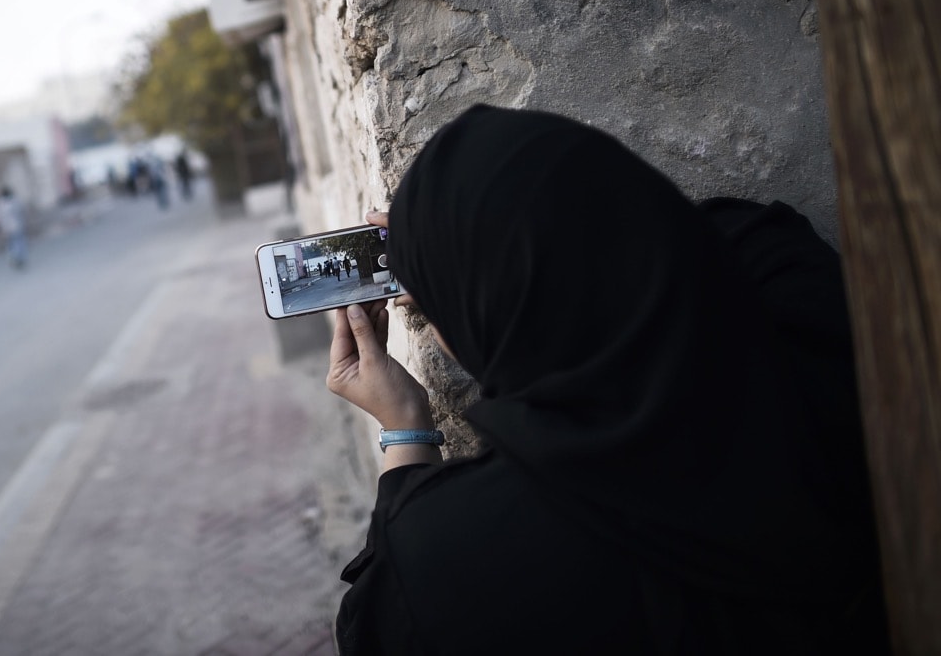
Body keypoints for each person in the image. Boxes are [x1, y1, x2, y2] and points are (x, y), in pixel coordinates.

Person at [327, 105, 887, 655]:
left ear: (491, 324)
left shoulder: (474, 559)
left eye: (435, 314)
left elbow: (382, 620)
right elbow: (672, 228)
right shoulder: (795, 292)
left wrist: (405, 426)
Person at [0, 186, 27, 269]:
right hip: (14, 226)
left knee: (12, 243)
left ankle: (15, 257)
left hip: (10, 226)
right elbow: (21, 211)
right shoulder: (13, 201)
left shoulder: (0, 203)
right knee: (16, 242)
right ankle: (17, 257)